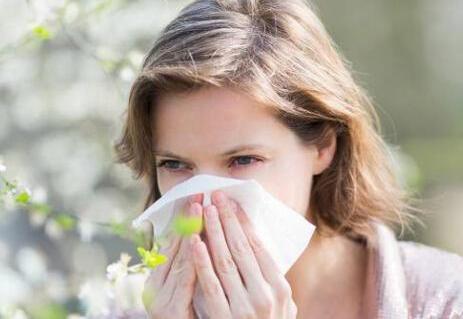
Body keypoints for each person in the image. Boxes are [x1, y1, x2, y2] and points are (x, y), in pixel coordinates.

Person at [113, 0, 463, 318]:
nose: (203, 201)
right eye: (175, 165)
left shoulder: (444, 299)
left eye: (243, 160)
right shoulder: (126, 309)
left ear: (323, 146)